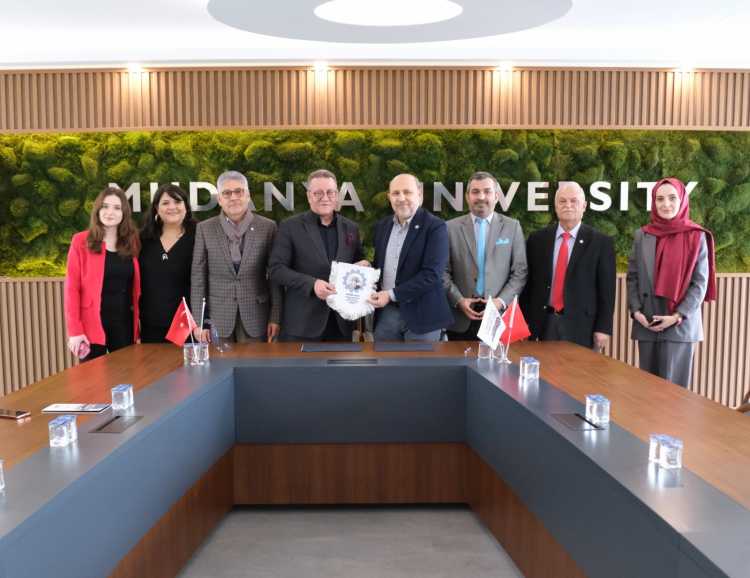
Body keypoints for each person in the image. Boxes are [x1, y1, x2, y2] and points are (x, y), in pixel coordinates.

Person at [626, 178, 716, 388]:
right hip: (647, 323)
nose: (666, 204)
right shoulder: (642, 235)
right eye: (660, 199)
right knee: (648, 392)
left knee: (674, 394)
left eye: (672, 198)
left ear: (682, 200)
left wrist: (677, 316)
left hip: (680, 324)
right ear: (654, 202)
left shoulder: (697, 235)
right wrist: (636, 311)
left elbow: (700, 283)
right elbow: (633, 277)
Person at [269, 169, 368, 342]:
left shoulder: (351, 227)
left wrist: (365, 264)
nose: (325, 197)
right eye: (318, 193)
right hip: (302, 323)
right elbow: (276, 270)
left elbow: (358, 260)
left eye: (330, 192)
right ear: (309, 196)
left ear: (337, 194)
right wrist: (312, 284)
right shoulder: (290, 226)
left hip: (341, 323)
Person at [521, 182, 616, 350]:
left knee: (581, 367)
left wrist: (603, 328)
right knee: (545, 366)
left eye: (574, 201)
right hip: (545, 321)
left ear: (584, 206)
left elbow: (607, 290)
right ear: (556, 206)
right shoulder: (537, 239)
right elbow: (528, 283)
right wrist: (525, 319)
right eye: (562, 201)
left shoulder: (601, 242)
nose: (568, 205)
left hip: (583, 325)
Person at [191, 171, 282, 343]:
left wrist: (275, 316)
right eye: (227, 193)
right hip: (218, 317)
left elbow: (275, 277)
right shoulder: (205, 229)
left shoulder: (268, 227)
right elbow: (198, 279)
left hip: (256, 315)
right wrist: (199, 321)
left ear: (247, 195)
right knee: (219, 361)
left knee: (254, 361)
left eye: (239, 192)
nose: (233, 198)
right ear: (219, 199)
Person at [368, 173, 453, 341]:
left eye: (407, 192)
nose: (401, 198)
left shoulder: (435, 226)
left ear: (419, 194)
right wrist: (368, 266)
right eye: (396, 193)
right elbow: (382, 265)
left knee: (419, 360)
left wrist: (391, 294)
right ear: (389, 197)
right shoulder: (382, 226)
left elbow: (432, 274)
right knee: (384, 359)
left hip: (423, 314)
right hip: (386, 315)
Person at [443, 171, 528, 341]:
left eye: (487, 191)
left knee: (497, 360)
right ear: (467, 196)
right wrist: (458, 300)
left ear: (497, 196)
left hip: (499, 316)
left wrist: (500, 302)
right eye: (475, 192)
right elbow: (442, 271)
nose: (481, 197)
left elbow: (520, 272)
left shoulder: (512, 227)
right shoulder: (450, 228)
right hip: (461, 316)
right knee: (458, 358)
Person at [64, 187, 141, 361]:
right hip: (91, 322)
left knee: (126, 372)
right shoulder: (80, 240)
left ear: (124, 213)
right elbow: (71, 289)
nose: (110, 212)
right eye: (105, 206)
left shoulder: (131, 242)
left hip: (123, 320)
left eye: (117, 208)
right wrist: (75, 330)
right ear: (98, 210)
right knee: (92, 375)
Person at [138, 184, 197, 343]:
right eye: (165, 203)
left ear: (186, 206)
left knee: (188, 361)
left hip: (188, 324)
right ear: (157, 208)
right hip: (151, 323)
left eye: (177, 202)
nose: (172, 207)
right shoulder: (142, 239)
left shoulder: (199, 237)